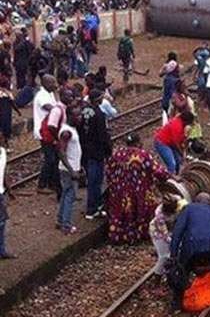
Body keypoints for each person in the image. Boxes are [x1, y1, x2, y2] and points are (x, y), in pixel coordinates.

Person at [169, 193, 210, 311]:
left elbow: (177, 233)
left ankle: (176, 304)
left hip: (191, 246)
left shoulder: (188, 209)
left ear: (195, 201)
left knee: (183, 270)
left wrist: (173, 255)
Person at [106, 133, 171, 244]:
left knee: (121, 211)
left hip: (120, 191)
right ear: (138, 143)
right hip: (139, 190)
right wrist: (169, 176)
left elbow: (108, 171)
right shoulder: (143, 155)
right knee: (142, 209)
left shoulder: (117, 154)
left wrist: (114, 185)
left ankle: (120, 236)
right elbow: (157, 170)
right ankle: (140, 234)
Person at [81, 89, 113, 219]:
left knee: (92, 180)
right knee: (96, 181)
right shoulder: (99, 114)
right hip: (97, 152)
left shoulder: (86, 111)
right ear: (97, 100)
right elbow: (102, 135)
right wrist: (108, 151)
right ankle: (93, 208)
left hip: (87, 150)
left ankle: (95, 205)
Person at [56, 105, 84, 235]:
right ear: (70, 116)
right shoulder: (66, 132)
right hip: (69, 170)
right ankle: (66, 224)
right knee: (70, 197)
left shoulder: (71, 129)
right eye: (77, 115)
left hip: (72, 167)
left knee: (65, 194)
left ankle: (60, 220)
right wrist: (72, 170)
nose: (80, 117)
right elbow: (61, 152)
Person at [34, 76, 64, 195]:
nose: (55, 85)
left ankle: (52, 183)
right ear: (45, 83)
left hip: (50, 131)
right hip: (44, 131)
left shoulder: (50, 93)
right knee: (50, 159)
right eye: (52, 83)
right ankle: (41, 185)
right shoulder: (42, 96)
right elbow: (51, 108)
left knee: (54, 158)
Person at [149, 194, 187, 275]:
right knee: (164, 256)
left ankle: (171, 271)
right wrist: (175, 243)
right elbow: (165, 235)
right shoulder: (160, 216)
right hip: (158, 233)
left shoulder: (178, 200)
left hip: (171, 228)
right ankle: (157, 275)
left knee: (175, 252)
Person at [0, 137, 12, 259]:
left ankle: (2, 250)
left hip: (1, 193)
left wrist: (9, 189)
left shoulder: (3, 152)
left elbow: (3, 171)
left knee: (2, 222)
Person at [160, 52, 180, 121]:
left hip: (167, 81)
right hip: (175, 81)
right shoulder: (176, 64)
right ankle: (173, 112)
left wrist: (165, 71)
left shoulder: (166, 64)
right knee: (174, 95)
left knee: (166, 95)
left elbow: (160, 74)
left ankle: (166, 110)